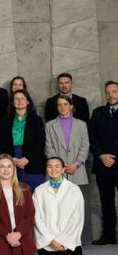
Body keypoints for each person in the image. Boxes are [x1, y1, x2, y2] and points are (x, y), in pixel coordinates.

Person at [45, 95, 92, 242]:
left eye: (65, 104)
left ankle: (82, 238)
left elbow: (85, 146)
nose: (62, 107)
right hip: (58, 171)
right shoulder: (49, 125)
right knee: (57, 207)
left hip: (78, 170)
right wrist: (61, 166)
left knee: (79, 206)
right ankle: (59, 238)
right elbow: (48, 147)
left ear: (71, 106)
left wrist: (76, 163)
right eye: (59, 104)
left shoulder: (81, 124)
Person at [88, 81, 118, 245]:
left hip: (117, 164)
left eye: (114, 92)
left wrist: (113, 157)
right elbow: (91, 138)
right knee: (106, 203)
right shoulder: (98, 112)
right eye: (108, 92)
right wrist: (101, 155)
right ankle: (109, 235)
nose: (110, 95)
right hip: (102, 166)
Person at [0, 89, 46, 191]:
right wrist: (11, 158)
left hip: (32, 161)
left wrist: (27, 158)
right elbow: (1, 142)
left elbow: (40, 142)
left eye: (22, 98)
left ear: (28, 101)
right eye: (16, 99)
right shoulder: (5, 120)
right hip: (11, 159)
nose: (19, 101)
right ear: (12, 102)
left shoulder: (36, 120)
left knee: (34, 196)